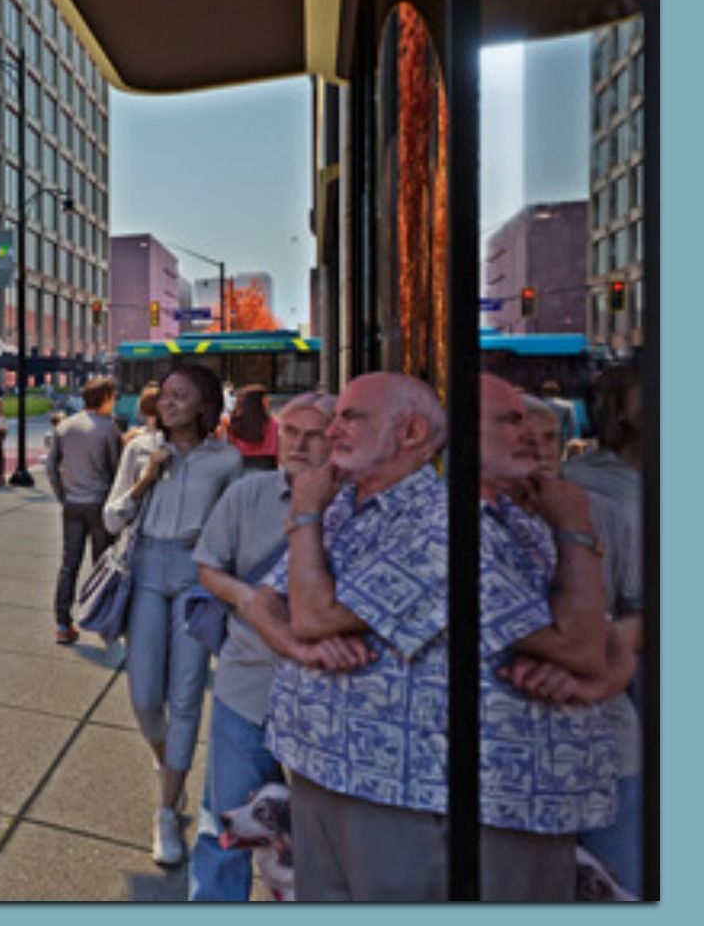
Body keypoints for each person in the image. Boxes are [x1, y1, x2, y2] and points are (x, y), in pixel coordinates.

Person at [256, 373, 615, 900]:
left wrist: (304, 518)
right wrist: (297, 646)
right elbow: (265, 599)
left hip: (396, 789)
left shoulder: (434, 514)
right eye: (510, 420)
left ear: (413, 432)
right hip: (325, 767)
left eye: (351, 417)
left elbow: (312, 614)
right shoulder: (346, 501)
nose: (333, 430)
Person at [185, 391, 337, 900]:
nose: (299, 444)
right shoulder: (247, 496)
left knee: (321, 840)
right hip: (248, 684)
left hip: (326, 696)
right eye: (291, 432)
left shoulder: (356, 506)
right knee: (224, 824)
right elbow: (208, 567)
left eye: (314, 434)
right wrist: (246, 598)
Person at [102, 363, 244, 866]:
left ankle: (166, 811)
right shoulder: (140, 447)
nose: (170, 402)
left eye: (182, 396)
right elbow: (111, 516)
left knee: (185, 695)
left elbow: (234, 529)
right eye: (166, 395)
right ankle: (169, 764)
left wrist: (212, 548)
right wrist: (144, 479)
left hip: (193, 576)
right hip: (144, 569)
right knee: (143, 696)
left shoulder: (225, 460)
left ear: (205, 404)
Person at [531, 365, 646, 895]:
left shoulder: (603, 509)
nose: (536, 451)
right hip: (525, 748)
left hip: (609, 728)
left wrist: (617, 651)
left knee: (617, 877)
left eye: (548, 439)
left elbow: (638, 606)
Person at [44, 376, 123, 646]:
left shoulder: (65, 426)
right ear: (105, 398)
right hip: (99, 503)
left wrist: (62, 495)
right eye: (113, 397)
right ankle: (102, 620)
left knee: (69, 565)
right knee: (103, 566)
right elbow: (117, 472)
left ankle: (62, 623)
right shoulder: (109, 429)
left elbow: (51, 466)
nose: (115, 402)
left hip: (73, 504)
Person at [225, 385, 279, 471]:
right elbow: (275, 450)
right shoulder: (272, 424)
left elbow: (230, 448)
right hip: (266, 467)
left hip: (240, 467)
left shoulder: (235, 424)